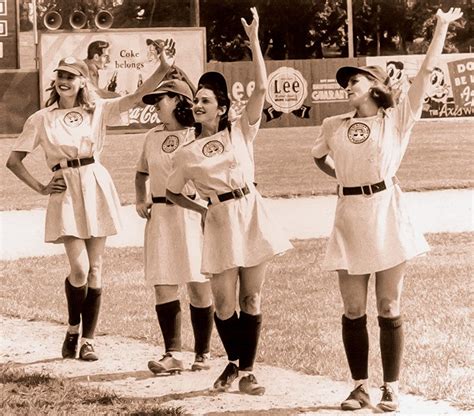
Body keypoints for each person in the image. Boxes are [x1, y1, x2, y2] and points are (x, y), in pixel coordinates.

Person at [311, 8, 463, 413]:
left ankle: (390, 387)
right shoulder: (334, 126)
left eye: (354, 80)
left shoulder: (396, 119)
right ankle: (359, 386)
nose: (347, 86)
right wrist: (343, 179)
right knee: (353, 308)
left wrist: (442, 27)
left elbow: (427, 69)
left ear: (374, 86)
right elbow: (319, 158)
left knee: (388, 306)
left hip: (386, 211)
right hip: (349, 213)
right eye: (345, 82)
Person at [6, 40, 178, 362]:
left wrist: (164, 68)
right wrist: (42, 187)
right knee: (80, 269)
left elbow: (136, 97)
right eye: (61, 75)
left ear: (83, 81)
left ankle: (88, 340)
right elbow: (14, 161)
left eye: (71, 76)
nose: (64, 81)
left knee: (96, 268)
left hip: (95, 181)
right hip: (66, 188)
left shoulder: (96, 108)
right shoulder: (41, 118)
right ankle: (73, 327)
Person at [166, 7, 292, 395]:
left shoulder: (241, 130)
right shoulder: (186, 152)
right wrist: (200, 209)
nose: (199, 104)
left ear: (221, 107)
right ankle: (234, 362)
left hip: (251, 211)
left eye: (206, 100)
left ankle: (246, 370)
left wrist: (254, 41)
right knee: (224, 304)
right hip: (219, 217)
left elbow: (261, 88)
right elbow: (173, 191)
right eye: (197, 100)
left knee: (252, 296)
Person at [135, 79, 213, 373]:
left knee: (198, 285)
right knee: (163, 284)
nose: (155, 105)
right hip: (161, 216)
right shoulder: (153, 136)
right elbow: (141, 172)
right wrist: (140, 198)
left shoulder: (198, 134)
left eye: (162, 99)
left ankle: (202, 354)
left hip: (192, 213)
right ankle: (172, 353)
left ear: (179, 101)